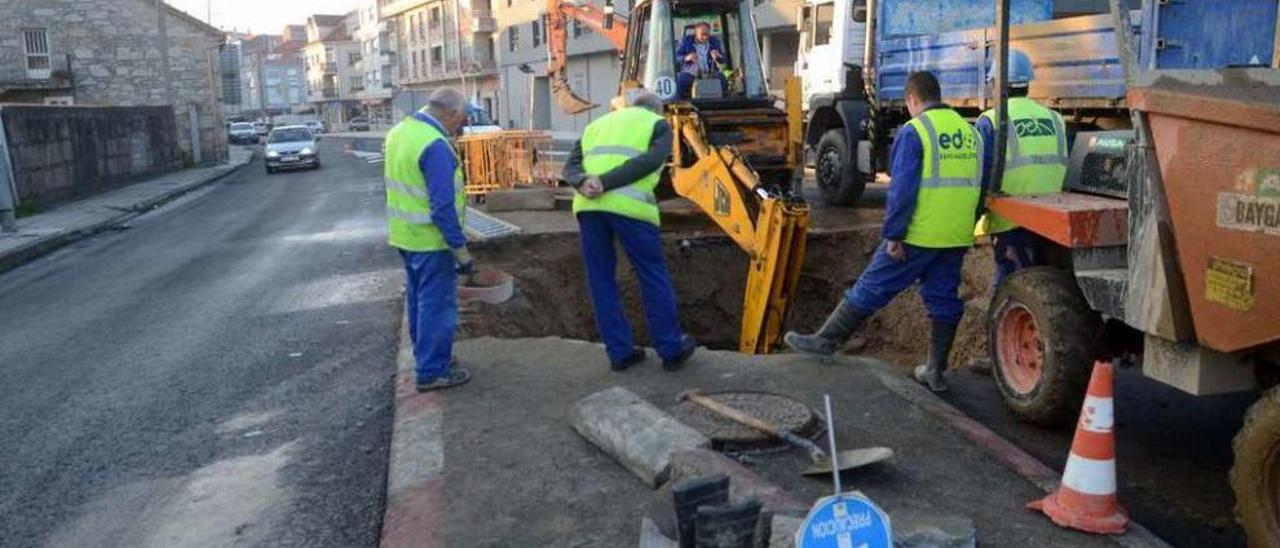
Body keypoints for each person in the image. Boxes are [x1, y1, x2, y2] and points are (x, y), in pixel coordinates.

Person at [784, 71, 983, 393]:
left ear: (912, 99)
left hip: (918, 233)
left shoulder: (915, 131)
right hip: (956, 234)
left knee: (872, 286)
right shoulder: (970, 132)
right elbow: (979, 183)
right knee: (943, 298)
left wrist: (894, 235)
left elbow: (902, 190)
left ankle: (826, 341)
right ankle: (935, 371)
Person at [562, 89, 697, 372]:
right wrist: (606, 182)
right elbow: (649, 162)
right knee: (652, 276)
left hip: (589, 208)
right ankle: (670, 349)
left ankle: (619, 353)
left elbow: (570, 165)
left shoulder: (596, 125)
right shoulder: (658, 125)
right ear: (657, 111)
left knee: (601, 281)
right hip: (631, 210)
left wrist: (585, 180)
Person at [385, 87, 474, 392]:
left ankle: (428, 359)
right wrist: (460, 251)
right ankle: (432, 371)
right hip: (431, 241)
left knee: (419, 302)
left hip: (405, 237)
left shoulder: (400, 132)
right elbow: (442, 207)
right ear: (449, 113)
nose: (461, 125)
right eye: (461, 119)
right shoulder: (434, 145)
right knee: (437, 306)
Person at [977, 50, 1068, 286]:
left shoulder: (991, 120)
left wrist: (973, 217)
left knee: (1014, 287)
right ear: (1027, 83)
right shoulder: (1055, 118)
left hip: (1012, 218)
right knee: (1051, 285)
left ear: (998, 84)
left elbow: (981, 175)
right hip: (1053, 216)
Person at [675, 22, 730, 99]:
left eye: (707, 34)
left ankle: (724, 104)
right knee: (681, 80)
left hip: (710, 73)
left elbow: (723, 59)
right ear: (695, 33)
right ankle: (678, 101)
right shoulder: (685, 42)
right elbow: (675, 57)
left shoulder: (715, 42)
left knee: (721, 78)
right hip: (691, 74)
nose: (705, 37)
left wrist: (718, 56)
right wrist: (686, 58)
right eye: (702, 34)